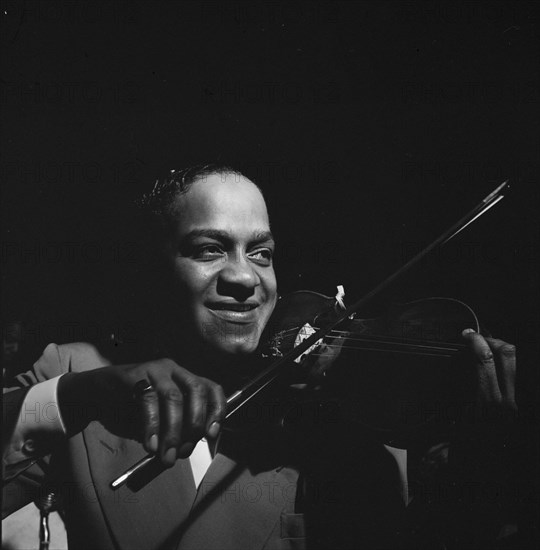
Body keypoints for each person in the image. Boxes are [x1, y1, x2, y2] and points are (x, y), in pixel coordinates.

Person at [3, 164, 519, 549]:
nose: (245, 278)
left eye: (261, 253)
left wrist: (475, 480)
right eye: (209, 249)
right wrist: (79, 396)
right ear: (153, 272)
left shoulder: (338, 441)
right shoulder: (77, 372)